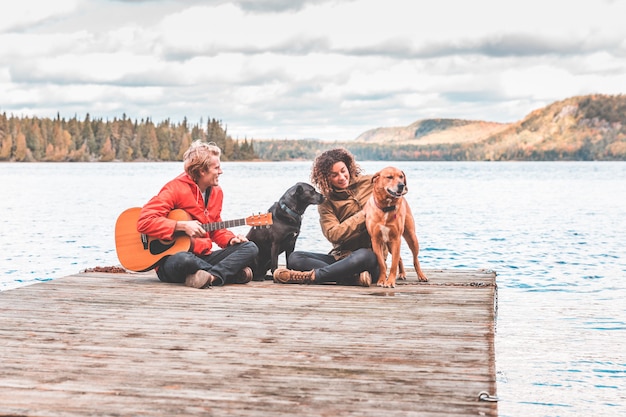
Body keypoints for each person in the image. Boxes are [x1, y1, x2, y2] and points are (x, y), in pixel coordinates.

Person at [137, 140, 258, 289]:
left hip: (203, 256)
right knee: (185, 260)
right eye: (217, 168)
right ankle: (227, 273)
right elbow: (144, 221)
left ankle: (211, 277)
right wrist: (180, 226)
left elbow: (215, 227)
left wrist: (231, 239)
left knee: (250, 247)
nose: (221, 172)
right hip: (173, 261)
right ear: (202, 171)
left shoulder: (217, 192)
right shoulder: (175, 189)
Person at [273, 148, 378, 286]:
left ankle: (313, 276)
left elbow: (396, 188)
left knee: (364, 255)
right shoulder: (326, 202)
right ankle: (350, 278)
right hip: (341, 257)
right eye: (334, 175)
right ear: (325, 177)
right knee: (295, 257)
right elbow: (333, 234)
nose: (341, 177)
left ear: (348, 167)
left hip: (369, 258)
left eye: (343, 170)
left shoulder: (371, 182)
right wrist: (363, 214)